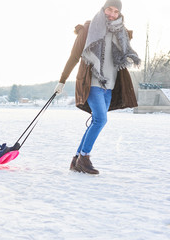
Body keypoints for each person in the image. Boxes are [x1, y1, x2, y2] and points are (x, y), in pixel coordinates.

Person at [54, 0, 140, 174]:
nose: (112, 14)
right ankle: (84, 158)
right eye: (110, 9)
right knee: (101, 119)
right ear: (103, 9)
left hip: (110, 85)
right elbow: (74, 56)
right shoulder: (89, 29)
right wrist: (62, 80)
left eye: (116, 11)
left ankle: (76, 159)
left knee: (96, 121)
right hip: (92, 83)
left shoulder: (121, 32)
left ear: (119, 14)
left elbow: (123, 57)